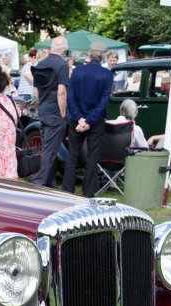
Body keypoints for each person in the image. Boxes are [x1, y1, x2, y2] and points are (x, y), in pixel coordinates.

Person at [61, 43, 113, 198]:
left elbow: (70, 97)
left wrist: (80, 119)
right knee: (92, 156)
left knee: (73, 155)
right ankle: (88, 192)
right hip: (95, 120)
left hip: (79, 119)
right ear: (103, 56)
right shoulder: (106, 74)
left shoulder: (78, 71)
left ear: (89, 54)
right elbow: (104, 101)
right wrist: (88, 120)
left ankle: (67, 191)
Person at [31, 36, 69, 188]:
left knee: (47, 146)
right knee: (50, 150)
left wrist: (42, 106)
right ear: (64, 50)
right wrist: (64, 114)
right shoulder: (62, 66)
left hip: (43, 109)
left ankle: (49, 183)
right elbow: (61, 93)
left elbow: (37, 92)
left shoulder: (41, 63)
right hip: (55, 111)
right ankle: (40, 182)